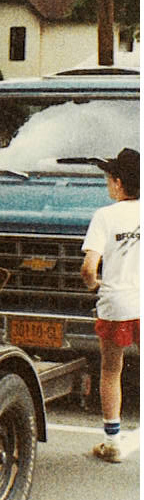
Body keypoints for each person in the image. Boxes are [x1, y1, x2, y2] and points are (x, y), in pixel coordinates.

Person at [81, 148, 140, 464]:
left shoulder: (105, 216)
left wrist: (94, 284)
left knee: (111, 370)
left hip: (116, 303)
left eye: (109, 179)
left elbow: (89, 268)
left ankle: (112, 442)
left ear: (118, 183)